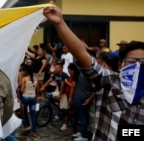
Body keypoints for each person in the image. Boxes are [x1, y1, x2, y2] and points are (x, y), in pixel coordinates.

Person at [43, 1, 144, 140]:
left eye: (143, 63)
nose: (138, 66)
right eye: (132, 62)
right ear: (121, 65)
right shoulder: (109, 80)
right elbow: (83, 56)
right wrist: (60, 23)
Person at [20, 64, 38, 138]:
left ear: (26, 71)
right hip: (33, 98)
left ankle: (26, 126)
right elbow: (37, 89)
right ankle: (34, 132)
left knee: (22, 113)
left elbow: (22, 90)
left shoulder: (24, 79)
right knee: (33, 116)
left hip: (25, 98)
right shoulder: (35, 78)